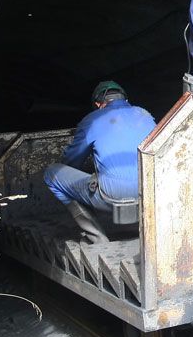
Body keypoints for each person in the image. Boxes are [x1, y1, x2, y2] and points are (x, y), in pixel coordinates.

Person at [43, 81, 155, 244]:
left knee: (52, 173)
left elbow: (71, 162)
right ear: (125, 99)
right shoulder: (145, 114)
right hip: (150, 194)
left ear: (98, 104)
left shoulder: (92, 120)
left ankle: (97, 237)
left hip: (111, 198)